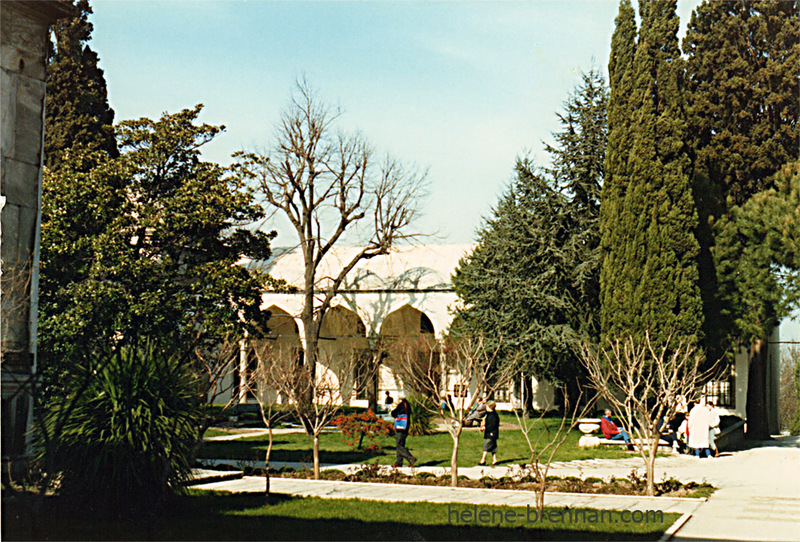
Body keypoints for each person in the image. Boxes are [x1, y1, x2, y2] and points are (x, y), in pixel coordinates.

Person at [391, 396, 416, 467]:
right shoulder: (407, 405)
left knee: (399, 445)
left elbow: (394, 413)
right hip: (406, 426)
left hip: (400, 426)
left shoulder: (401, 405)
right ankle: (399, 461)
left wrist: (393, 409)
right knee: (401, 443)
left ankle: (411, 458)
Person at [479, 401, 500, 465]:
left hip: (492, 433)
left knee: (486, 445)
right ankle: (494, 460)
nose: (486, 408)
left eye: (487, 406)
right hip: (490, 433)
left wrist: (485, 428)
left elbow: (492, 425)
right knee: (493, 447)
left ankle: (483, 460)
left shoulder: (494, 416)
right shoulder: (488, 414)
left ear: (490, 407)